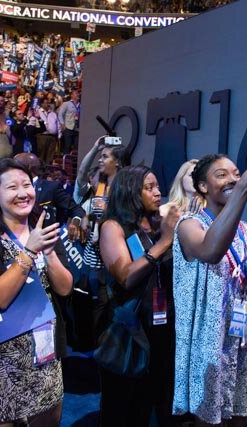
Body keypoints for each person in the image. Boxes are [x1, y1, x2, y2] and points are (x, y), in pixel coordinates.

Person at [0, 158, 72, 426]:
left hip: (43, 350)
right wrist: (30, 251)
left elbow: (65, 288)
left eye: (27, 184)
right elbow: (0, 296)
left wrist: (49, 253)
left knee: (49, 417)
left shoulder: (41, 230)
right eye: (12, 187)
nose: (23, 193)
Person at [173, 154, 247, 426]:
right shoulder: (189, 225)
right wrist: (243, 188)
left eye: (236, 173)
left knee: (238, 418)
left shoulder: (246, 231)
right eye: (221, 175)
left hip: (241, 341)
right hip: (208, 347)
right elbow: (210, 250)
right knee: (209, 420)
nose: (232, 178)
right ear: (202, 187)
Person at [99, 165, 180, 426]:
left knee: (156, 401)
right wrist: (165, 242)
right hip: (131, 330)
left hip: (162, 325)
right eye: (149, 187)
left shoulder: (158, 225)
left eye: (157, 186)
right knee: (124, 406)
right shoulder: (114, 227)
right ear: (130, 191)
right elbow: (126, 276)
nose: (158, 193)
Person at [80, 144, 130, 345]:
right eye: (100, 157)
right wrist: (86, 216)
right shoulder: (100, 185)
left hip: (109, 261)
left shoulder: (123, 188)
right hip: (91, 257)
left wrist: (106, 212)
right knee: (91, 306)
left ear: (117, 161)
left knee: (105, 308)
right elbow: (82, 175)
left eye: (105, 157)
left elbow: (125, 219)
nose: (100, 161)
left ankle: (105, 351)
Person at [14, 152, 85, 240]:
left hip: (47, 241)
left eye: (14, 165)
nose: (11, 169)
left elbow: (76, 209)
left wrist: (76, 221)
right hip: (18, 238)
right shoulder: (12, 189)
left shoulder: (51, 187)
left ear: (28, 167)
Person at [57, 90, 80, 154]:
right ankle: (65, 161)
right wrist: (62, 124)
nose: (78, 95)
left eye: (78, 93)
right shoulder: (66, 104)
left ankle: (74, 162)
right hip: (68, 128)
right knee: (68, 145)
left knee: (76, 146)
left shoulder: (80, 105)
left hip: (77, 129)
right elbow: (60, 114)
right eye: (76, 93)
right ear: (72, 95)